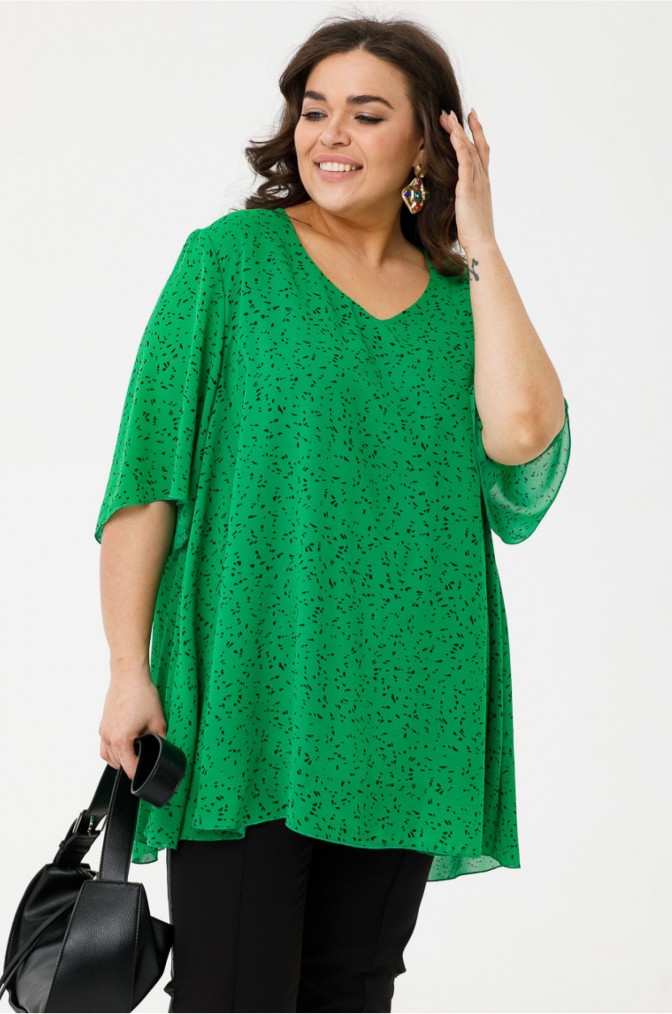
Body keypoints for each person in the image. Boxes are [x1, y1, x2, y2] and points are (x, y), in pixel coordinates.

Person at [95, 13, 571, 1013]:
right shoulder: (232, 262)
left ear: (428, 143)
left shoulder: (461, 299)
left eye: (366, 113)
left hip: (414, 694)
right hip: (250, 687)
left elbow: (525, 438)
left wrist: (481, 239)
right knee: (230, 993)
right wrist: (129, 668)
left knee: (352, 989)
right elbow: (147, 479)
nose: (330, 136)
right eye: (315, 112)